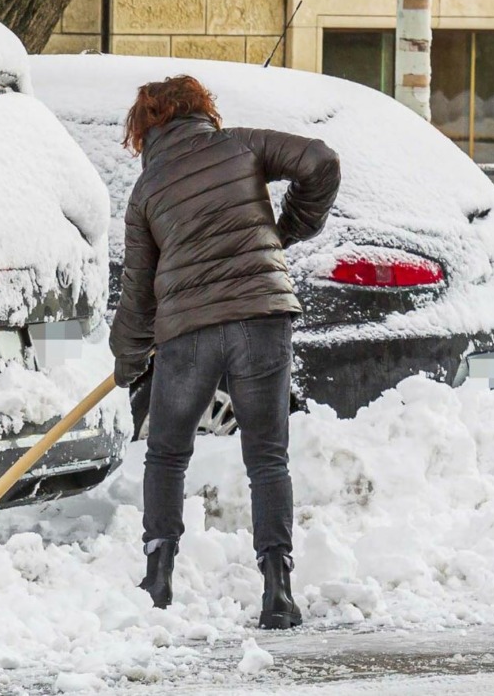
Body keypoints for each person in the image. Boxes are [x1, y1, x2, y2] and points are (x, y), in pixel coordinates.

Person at [110, 75, 340, 629]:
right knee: (267, 458)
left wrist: (128, 356)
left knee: (166, 454)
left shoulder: (148, 190)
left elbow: (138, 289)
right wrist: (287, 230)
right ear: (202, 109)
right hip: (262, 317)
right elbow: (320, 161)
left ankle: (158, 579)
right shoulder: (241, 145)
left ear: (144, 129)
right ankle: (278, 592)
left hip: (187, 331)